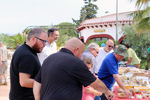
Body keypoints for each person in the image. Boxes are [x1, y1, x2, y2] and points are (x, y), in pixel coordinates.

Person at [33, 37, 114, 100]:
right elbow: (94, 82)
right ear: (76, 50)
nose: (81, 56)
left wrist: (37, 98)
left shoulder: (49, 59)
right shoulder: (75, 62)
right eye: (81, 52)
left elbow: (37, 82)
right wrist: (107, 91)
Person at [9, 28, 47, 100]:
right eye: (43, 41)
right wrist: (46, 83)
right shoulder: (27, 55)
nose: (45, 44)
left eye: (46, 42)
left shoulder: (23, 49)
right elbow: (24, 82)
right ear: (33, 39)